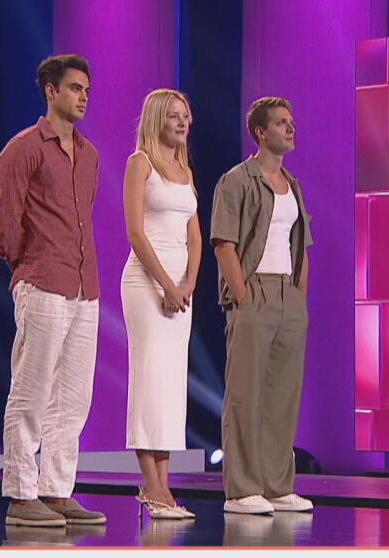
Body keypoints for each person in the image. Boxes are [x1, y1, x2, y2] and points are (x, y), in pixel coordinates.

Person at [0, 54, 106, 527]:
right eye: (75, 88)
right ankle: (21, 495)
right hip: (42, 280)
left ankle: (56, 491)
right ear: (51, 91)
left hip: (84, 284)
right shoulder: (23, 149)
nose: (83, 97)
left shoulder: (90, 154)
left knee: (73, 398)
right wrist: (28, 264)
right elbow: (6, 224)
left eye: (86, 90)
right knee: (31, 390)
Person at [210, 97, 314, 515]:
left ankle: (276, 485)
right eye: (281, 123)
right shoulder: (237, 180)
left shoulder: (293, 184)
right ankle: (242, 489)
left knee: (282, 395)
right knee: (246, 395)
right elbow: (224, 243)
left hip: (288, 295)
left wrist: (299, 297)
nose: (290, 129)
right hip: (254, 291)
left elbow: (301, 244)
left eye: (291, 122)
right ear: (260, 132)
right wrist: (243, 295)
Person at [120, 89, 202, 520]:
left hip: (179, 288)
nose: (182, 122)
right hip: (145, 284)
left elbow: (195, 237)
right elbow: (135, 232)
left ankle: (164, 486)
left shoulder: (185, 170)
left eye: (185, 115)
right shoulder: (140, 164)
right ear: (156, 119)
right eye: (173, 116)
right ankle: (151, 486)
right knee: (149, 378)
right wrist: (166, 284)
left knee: (170, 384)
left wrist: (187, 283)